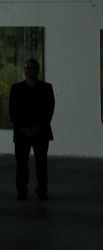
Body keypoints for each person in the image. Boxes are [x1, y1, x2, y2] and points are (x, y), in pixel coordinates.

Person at [9, 58, 55, 200]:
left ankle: (42, 190)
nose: (30, 70)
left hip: (40, 132)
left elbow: (49, 110)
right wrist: (22, 128)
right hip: (22, 133)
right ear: (24, 70)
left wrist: (37, 128)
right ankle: (21, 191)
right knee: (21, 164)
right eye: (27, 68)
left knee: (41, 164)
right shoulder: (16, 88)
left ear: (37, 71)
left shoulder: (46, 88)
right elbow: (13, 111)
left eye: (33, 68)